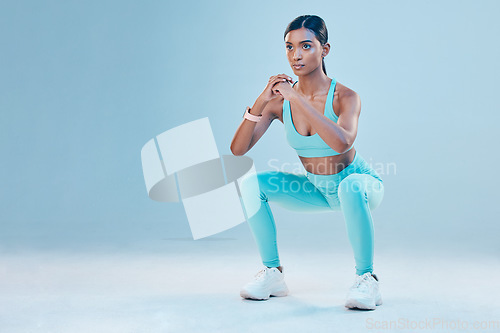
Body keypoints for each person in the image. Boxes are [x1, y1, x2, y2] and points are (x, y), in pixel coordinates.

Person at [230, 15, 384, 310]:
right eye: (289, 47)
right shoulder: (279, 102)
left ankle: (368, 279)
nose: (296, 55)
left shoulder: (346, 96)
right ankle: (273, 274)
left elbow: (342, 141)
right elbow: (238, 149)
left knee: (350, 186)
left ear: (324, 50)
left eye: (305, 46)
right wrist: (262, 101)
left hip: (359, 184)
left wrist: (297, 99)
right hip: (317, 189)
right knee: (252, 185)